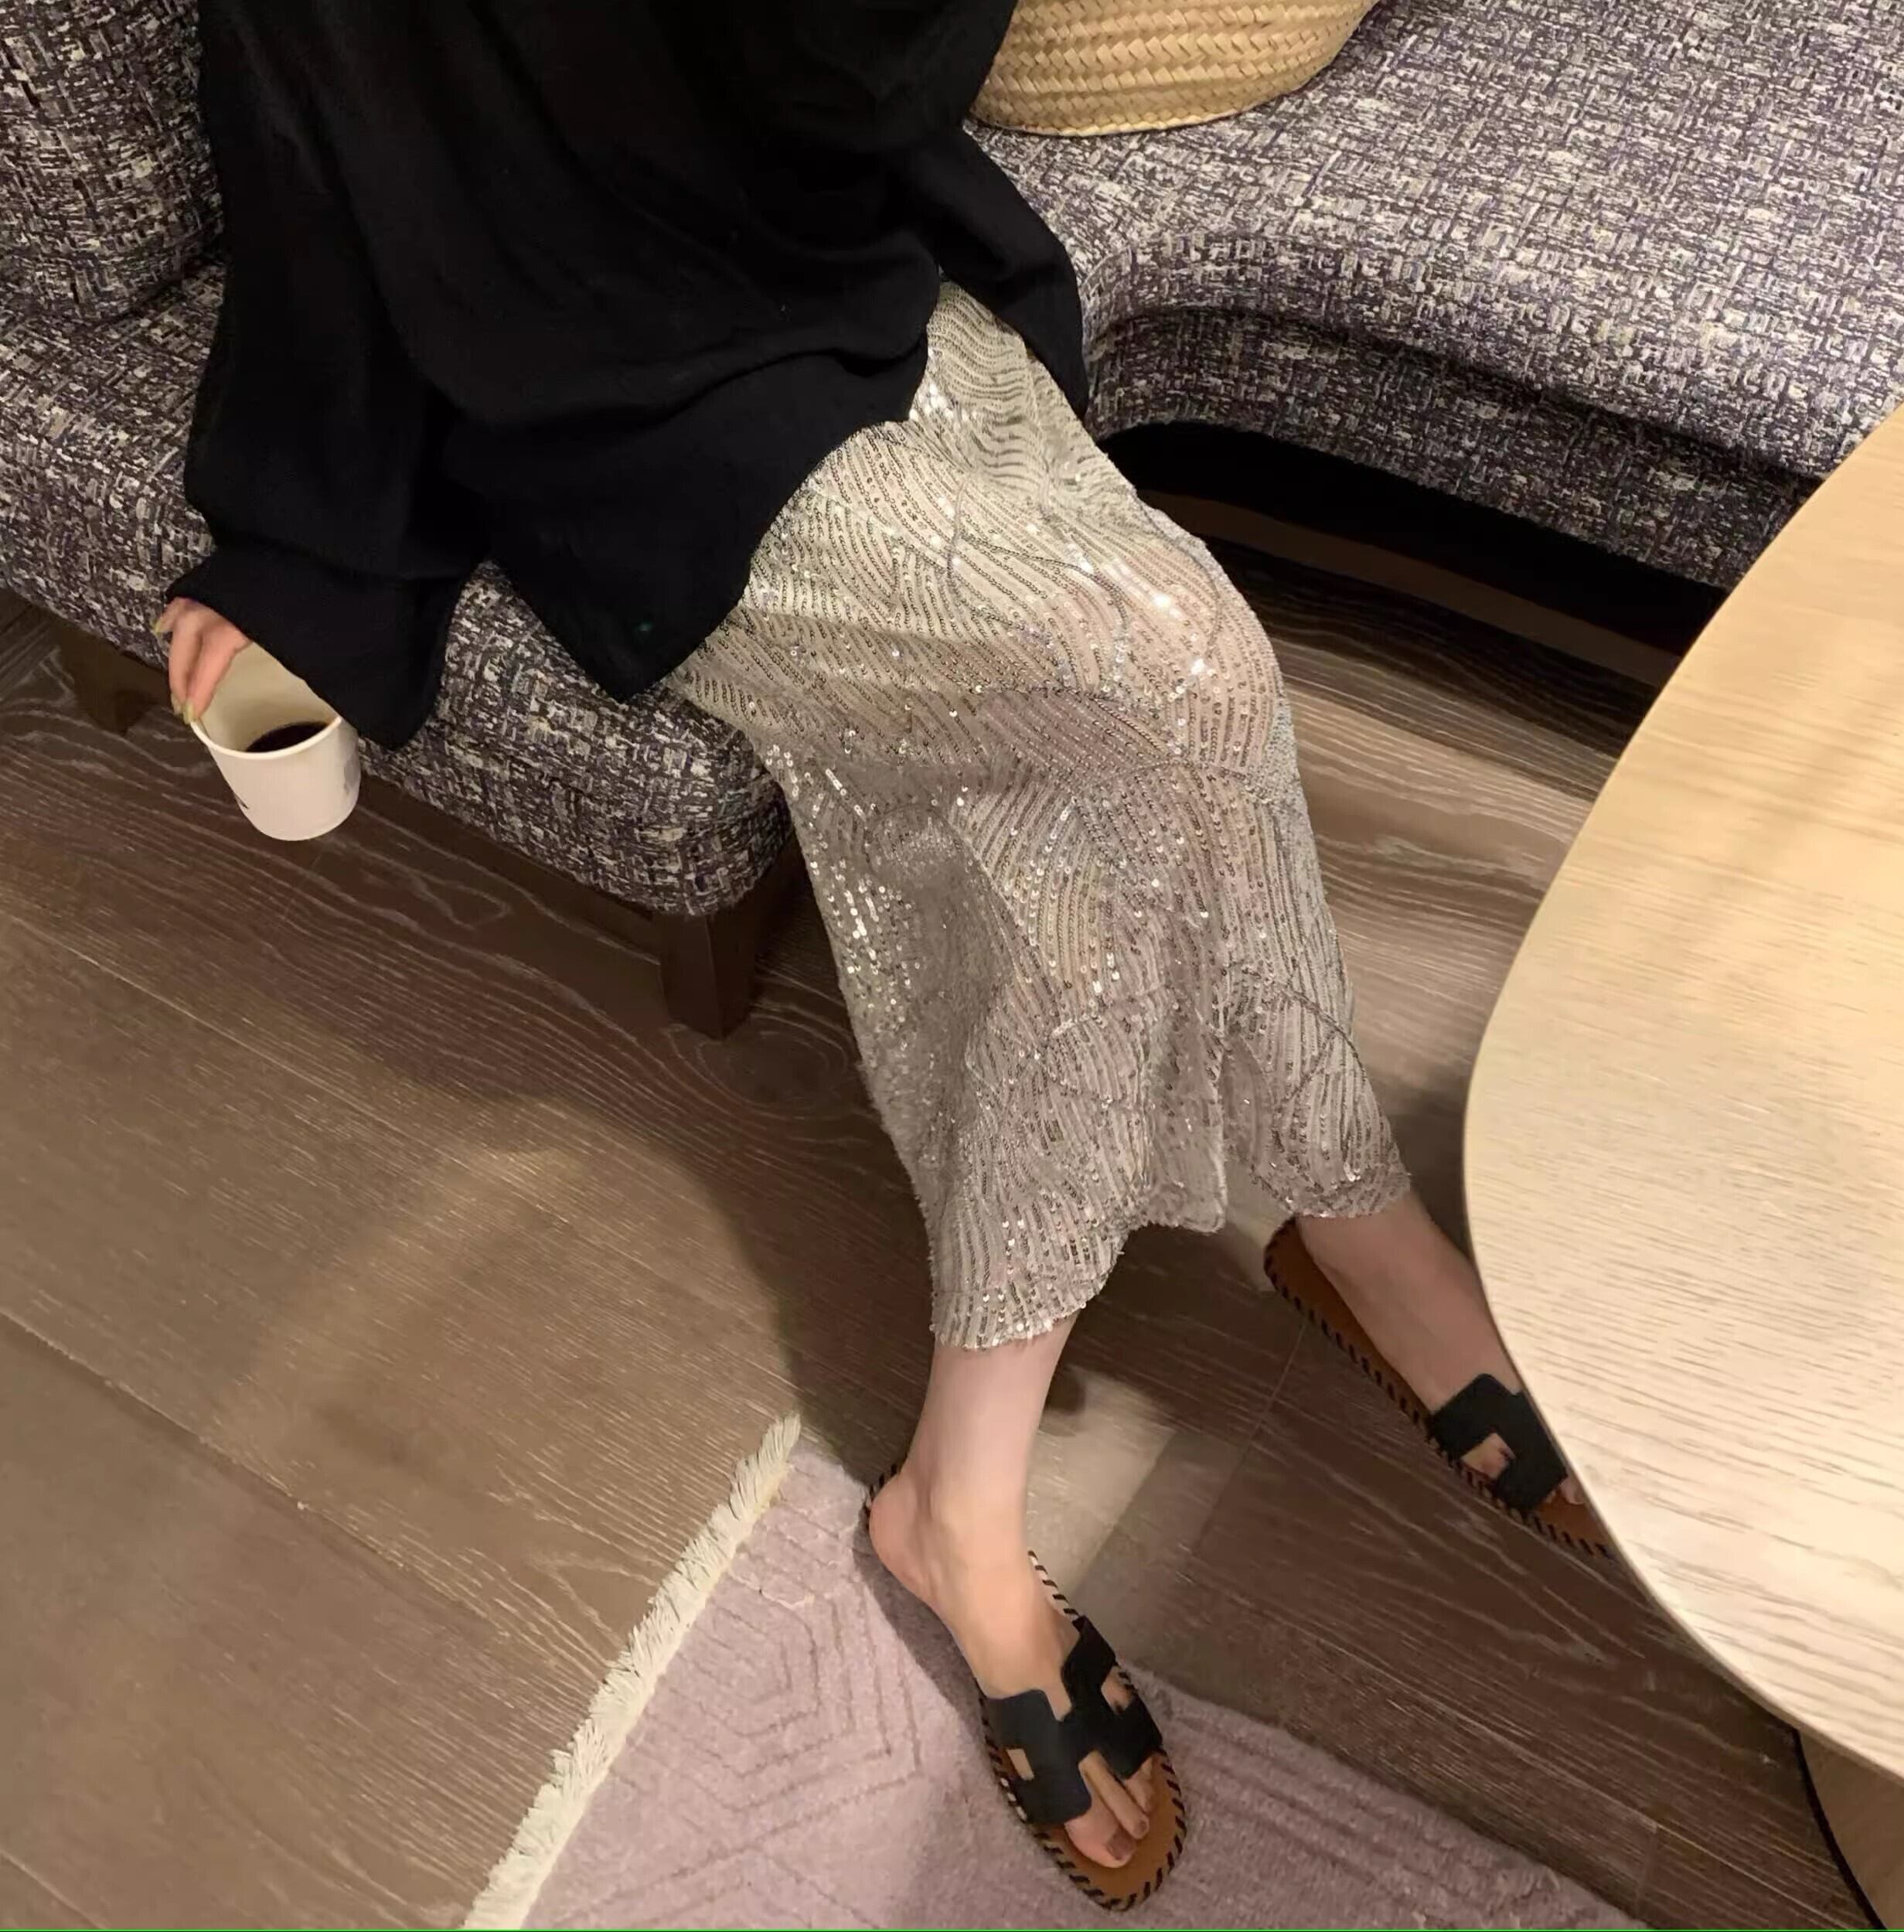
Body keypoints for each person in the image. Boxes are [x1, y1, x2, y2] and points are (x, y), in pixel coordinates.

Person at [160, 0, 1585, 1903]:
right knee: (1162, 676)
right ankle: (997, 1476)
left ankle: (1325, 1219)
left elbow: (858, 85)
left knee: (1179, 689)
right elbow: (309, 126)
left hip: (859, 278)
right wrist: (297, 549)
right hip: (615, 411)